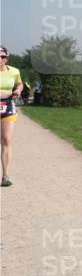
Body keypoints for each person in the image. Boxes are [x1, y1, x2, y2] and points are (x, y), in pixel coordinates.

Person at [0, 46, 24, 187]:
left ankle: (5, 175)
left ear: (7, 58)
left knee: (6, 139)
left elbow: (19, 83)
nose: (0, 59)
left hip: (8, 105)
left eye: (3, 56)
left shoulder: (14, 71)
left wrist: (18, 90)